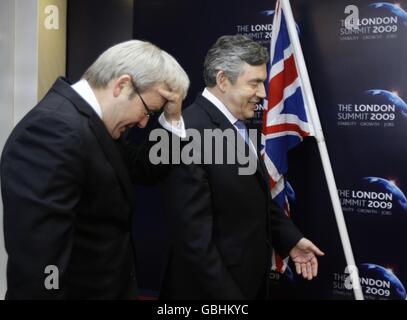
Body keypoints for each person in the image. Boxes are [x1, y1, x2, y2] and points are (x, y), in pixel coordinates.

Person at [0, 40, 189, 299]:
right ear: (122, 85)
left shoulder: (98, 125)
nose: (145, 123)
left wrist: (173, 118)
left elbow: (146, 169)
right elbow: (41, 264)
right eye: (148, 111)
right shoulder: (52, 131)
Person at [159, 35, 324, 300]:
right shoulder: (185, 132)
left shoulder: (236, 126)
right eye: (255, 83)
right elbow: (193, 239)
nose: (263, 94)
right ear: (223, 80)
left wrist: (290, 240)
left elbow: (254, 198)